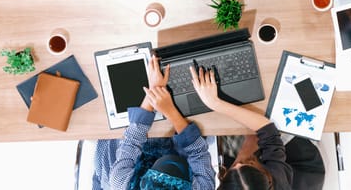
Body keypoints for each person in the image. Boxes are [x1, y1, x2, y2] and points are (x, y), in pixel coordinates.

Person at [191, 66, 325, 189]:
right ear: (267, 178)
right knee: (274, 108)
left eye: (232, 170)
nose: (236, 164)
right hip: (302, 164)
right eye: (246, 164)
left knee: (222, 129)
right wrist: (214, 103)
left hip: (265, 160)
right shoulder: (278, 180)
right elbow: (267, 131)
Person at [93, 56, 216, 189]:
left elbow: (132, 139)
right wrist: (171, 111)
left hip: (127, 162)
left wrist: (154, 90)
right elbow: (197, 151)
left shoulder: (120, 183)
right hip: (180, 148)